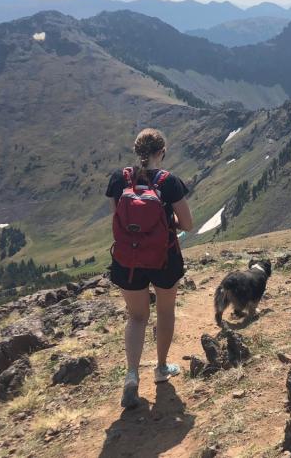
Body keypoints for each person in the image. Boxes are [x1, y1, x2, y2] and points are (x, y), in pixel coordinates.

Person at [106, 128, 193, 409]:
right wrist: (167, 226)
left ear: (137, 152)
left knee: (136, 317)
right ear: (162, 153)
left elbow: (117, 220)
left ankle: (131, 375)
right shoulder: (170, 182)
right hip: (164, 258)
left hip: (128, 262)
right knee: (165, 311)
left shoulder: (120, 179)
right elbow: (188, 224)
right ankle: (160, 368)